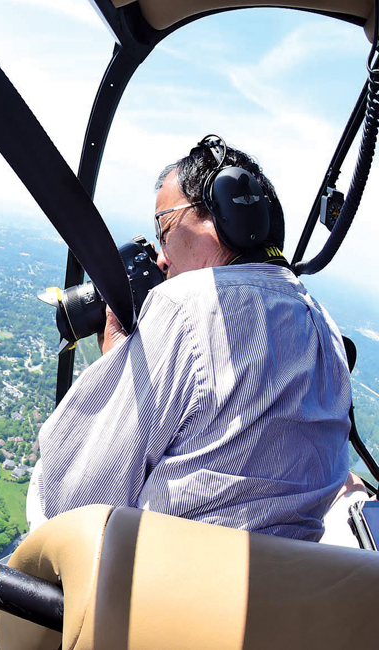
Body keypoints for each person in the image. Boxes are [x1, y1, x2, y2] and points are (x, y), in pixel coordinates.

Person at [26, 138, 351, 542]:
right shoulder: (327, 331)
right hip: (284, 599)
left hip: (163, 598)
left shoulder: (186, 308)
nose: (161, 258)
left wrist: (118, 361)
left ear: (224, 212)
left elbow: (71, 505)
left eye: (163, 230)